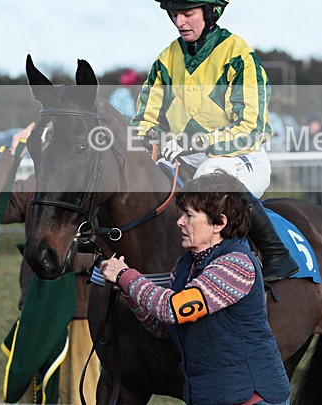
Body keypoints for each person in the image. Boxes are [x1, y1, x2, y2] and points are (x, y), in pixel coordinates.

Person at [132, 0, 298, 283]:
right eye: (173, 14)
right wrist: (149, 139)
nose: (179, 22)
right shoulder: (166, 59)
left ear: (211, 12)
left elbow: (250, 129)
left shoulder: (239, 56)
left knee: (209, 177)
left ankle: (276, 254)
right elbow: (144, 116)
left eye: (187, 13)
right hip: (183, 159)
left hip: (239, 159)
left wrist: (192, 142)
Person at [99, 171, 291, 405]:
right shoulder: (186, 264)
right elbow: (163, 326)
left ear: (220, 223)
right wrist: (128, 292)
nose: (180, 221)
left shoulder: (236, 264)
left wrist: (126, 276)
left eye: (190, 215)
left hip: (250, 397)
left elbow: (174, 309)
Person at [0, 123, 100, 404]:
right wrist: (11, 152)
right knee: (36, 394)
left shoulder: (96, 187)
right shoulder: (35, 184)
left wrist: (70, 259)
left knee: (81, 396)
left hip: (82, 311)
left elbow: (108, 244)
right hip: (37, 308)